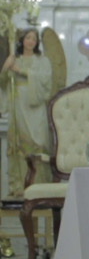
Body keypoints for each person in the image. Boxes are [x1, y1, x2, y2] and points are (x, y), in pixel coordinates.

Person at [0, 28, 52, 198]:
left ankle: (39, 185)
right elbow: (3, 83)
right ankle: (20, 185)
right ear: (22, 40)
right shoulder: (15, 59)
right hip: (19, 105)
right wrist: (6, 68)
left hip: (35, 107)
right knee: (20, 143)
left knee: (38, 142)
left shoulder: (42, 61)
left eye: (34, 39)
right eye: (28, 38)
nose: (31, 41)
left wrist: (21, 71)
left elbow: (45, 81)